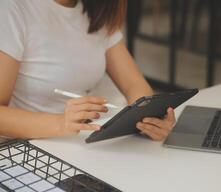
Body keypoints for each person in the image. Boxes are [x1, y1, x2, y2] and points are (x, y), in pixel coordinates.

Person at [0, 0, 175, 142]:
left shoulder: (97, 9)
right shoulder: (12, 8)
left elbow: (133, 84)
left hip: (80, 143)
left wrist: (149, 118)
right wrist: (61, 123)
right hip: (25, 147)